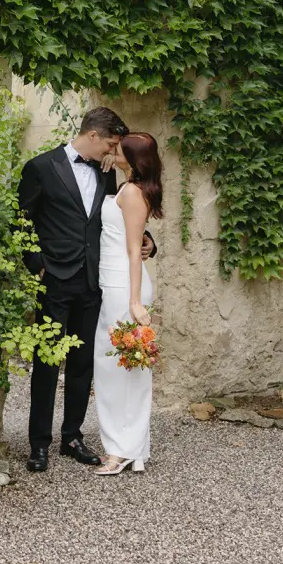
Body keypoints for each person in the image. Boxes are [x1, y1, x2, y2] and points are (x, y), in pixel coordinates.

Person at [17, 107, 156, 473]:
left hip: (96, 281)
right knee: (46, 362)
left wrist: (148, 242)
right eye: (110, 144)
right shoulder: (40, 167)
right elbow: (22, 218)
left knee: (83, 364)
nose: (112, 152)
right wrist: (37, 265)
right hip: (55, 279)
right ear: (93, 136)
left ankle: (73, 436)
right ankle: (39, 443)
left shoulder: (106, 173)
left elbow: (121, 220)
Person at [93, 132, 163, 475]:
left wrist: (135, 301)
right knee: (114, 369)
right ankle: (131, 447)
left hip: (124, 287)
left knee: (122, 370)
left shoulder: (134, 193)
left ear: (134, 160)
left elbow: (135, 249)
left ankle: (121, 450)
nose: (112, 150)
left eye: (118, 150)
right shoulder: (128, 185)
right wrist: (112, 164)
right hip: (112, 284)